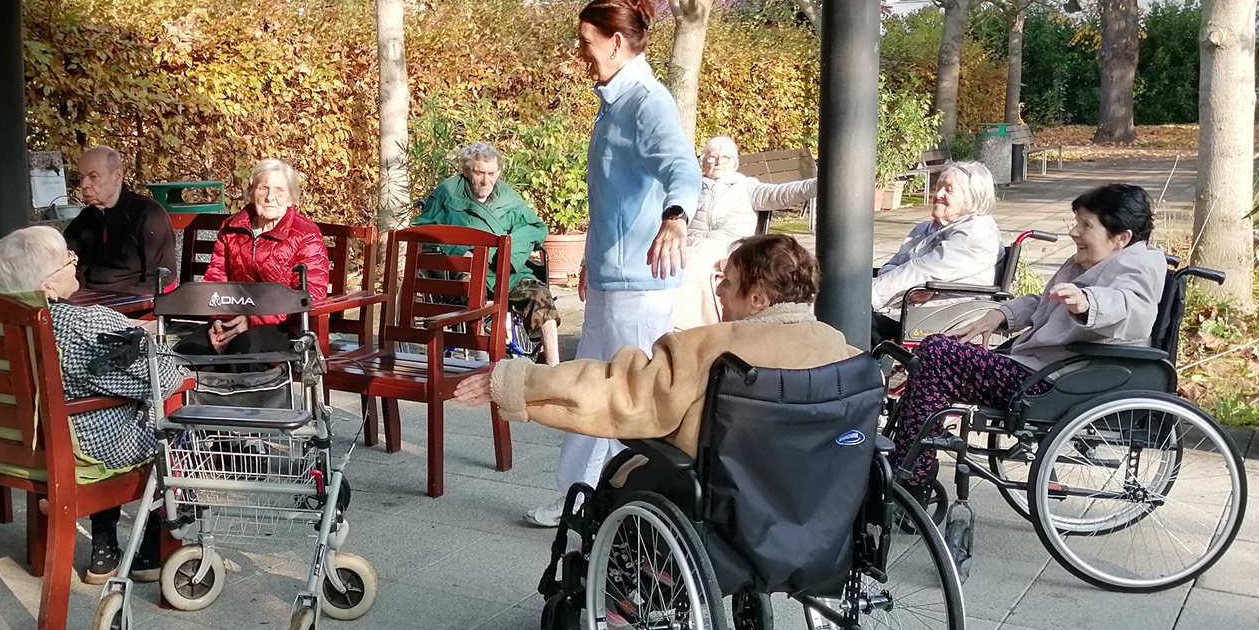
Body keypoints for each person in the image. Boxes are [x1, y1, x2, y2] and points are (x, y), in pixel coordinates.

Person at [525, 0, 702, 527]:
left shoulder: (647, 101)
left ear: (617, 42)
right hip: (610, 278)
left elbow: (682, 168)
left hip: (640, 286)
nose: (581, 51)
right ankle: (577, 499)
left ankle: (638, 506)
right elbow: (614, 198)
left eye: (587, 41)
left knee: (631, 399)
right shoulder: (614, 102)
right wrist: (590, 259)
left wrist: (676, 217)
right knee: (590, 388)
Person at [456, 233, 851, 465]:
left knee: (623, 476)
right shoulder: (842, 352)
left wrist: (515, 380)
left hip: (723, 500)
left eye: (728, 283)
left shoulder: (712, 348)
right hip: (809, 505)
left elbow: (615, 391)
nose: (718, 290)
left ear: (759, 299)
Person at [887, 183, 1166, 493]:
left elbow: (1133, 308)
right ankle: (906, 464)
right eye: (1077, 222)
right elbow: (1046, 303)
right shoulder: (1096, 261)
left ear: (1121, 237)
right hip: (1044, 369)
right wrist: (1000, 315)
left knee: (937, 354)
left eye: (1086, 225)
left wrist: (1089, 303)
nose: (1074, 232)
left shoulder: (1136, 266)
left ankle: (910, 476)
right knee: (934, 353)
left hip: (1056, 381)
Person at [0, 225, 188, 583]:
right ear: (47, 286)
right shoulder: (82, 325)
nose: (74, 260)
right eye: (66, 258)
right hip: (80, 452)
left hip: (9, 446)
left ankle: (105, 550)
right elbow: (165, 379)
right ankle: (154, 553)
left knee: (109, 413)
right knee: (179, 431)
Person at [415, 141, 561, 365]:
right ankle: (482, 357)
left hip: (508, 271)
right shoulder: (448, 193)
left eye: (491, 173)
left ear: (499, 172)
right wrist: (459, 251)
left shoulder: (507, 196)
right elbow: (422, 231)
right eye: (479, 173)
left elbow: (535, 227)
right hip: (468, 269)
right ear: (466, 171)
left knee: (541, 295)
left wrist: (509, 254)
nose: (486, 181)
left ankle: (554, 367)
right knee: (471, 289)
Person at [189, 159, 329, 357]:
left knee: (243, 348)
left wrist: (253, 320)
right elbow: (216, 278)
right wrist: (218, 320)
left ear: (291, 198)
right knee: (189, 350)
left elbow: (310, 294)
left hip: (285, 326)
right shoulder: (231, 227)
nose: (270, 197)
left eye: (279, 190)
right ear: (252, 193)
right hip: (232, 318)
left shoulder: (306, 234)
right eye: (263, 188)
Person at [675, 135, 818, 329]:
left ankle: (691, 327)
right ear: (703, 161)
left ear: (734, 163)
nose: (717, 161)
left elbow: (782, 194)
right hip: (688, 245)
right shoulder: (689, 187)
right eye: (712, 156)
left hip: (728, 248)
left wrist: (818, 184)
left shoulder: (746, 187)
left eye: (725, 157)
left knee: (694, 262)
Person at [869, 160, 1004, 343]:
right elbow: (894, 265)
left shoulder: (977, 232)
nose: (938, 194)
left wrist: (867, 296)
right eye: (938, 187)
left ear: (972, 197)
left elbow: (922, 271)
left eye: (948, 189)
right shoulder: (925, 228)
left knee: (850, 321)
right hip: (906, 308)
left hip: (937, 318)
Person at [62, 146, 178, 298]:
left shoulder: (148, 215)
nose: (84, 185)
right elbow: (60, 257)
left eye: (93, 176)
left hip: (131, 304)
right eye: (81, 177)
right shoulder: (86, 218)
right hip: (87, 301)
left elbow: (163, 280)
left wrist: (121, 302)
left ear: (117, 176)